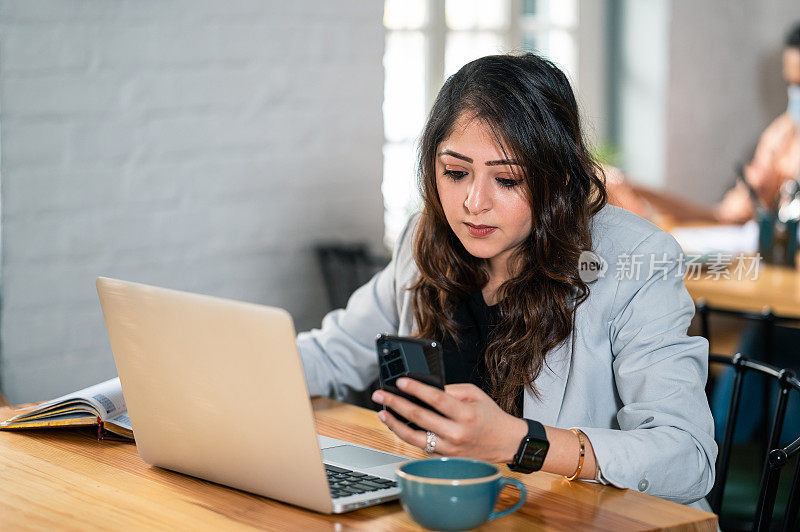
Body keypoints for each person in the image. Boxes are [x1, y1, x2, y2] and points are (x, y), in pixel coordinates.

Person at [296, 52, 717, 511]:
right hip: (466, 510)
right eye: (455, 173)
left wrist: (521, 442)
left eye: (508, 179)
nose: (474, 202)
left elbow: (687, 457)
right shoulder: (426, 241)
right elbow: (332, 353)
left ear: (556, 180)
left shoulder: (635, 259)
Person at [608, 22, 800, 224]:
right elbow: (726, 215)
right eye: (791, 84)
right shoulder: (781, 137)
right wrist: (636, 190)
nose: (795, 94)